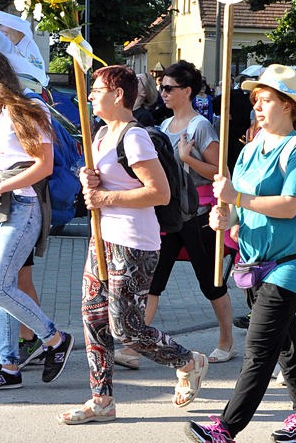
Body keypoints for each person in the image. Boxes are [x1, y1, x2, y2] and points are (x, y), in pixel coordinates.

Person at [186, 64, 296, 443]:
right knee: (286, 343)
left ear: (288, 106)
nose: (258, 108)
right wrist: (224, 218)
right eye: (256, 101)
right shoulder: (249, 149)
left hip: (289, 264)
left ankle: (226, 431)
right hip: (253, 262)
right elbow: (238, 209)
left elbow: (290, 205)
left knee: (260, 349)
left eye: (266, 100)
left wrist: (235, 200)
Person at [57, 66, 208, 424]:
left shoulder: (135, 137)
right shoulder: (101, 136)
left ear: (118, 95)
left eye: (97, 90)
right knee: (94, 320)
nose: (91, 96)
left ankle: (188, 360)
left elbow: (159, 192)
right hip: (102, 239)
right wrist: (88, 179)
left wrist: (104, 197)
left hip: (134, 243)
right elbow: (103, 184)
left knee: (126, 328)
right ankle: (102, 400)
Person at [0, 47, 74, 392]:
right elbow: (3, 163)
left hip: (24, 207)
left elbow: (44, 166)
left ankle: (54, 338)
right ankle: (9, 367)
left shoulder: (30, 107)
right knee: (1, 290)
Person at [139, 60, 236, 364]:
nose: (163, 93)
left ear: (187, 91)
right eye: (161, 87)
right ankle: (135, 343)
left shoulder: (200, 126)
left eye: (169, 88)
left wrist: (187, 158)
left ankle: (227, 339)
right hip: (170, 213)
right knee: (155, 279)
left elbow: (223, 171)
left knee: (210, 281)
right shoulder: (165, 126)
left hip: (199, 214)